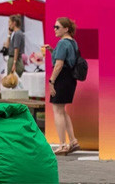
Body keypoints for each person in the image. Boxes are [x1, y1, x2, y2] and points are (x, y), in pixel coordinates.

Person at [44, 17, 81, 155]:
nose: (54, 29)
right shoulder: (73, 42)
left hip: (62, 78)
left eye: (57, 27)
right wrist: (52, 51)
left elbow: (59, 65)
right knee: (62, 111)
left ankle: (62, 145)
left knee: (57, 111)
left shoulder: (62, 43)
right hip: (70, 78)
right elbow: (67, 60)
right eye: (54, 26)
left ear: (66, 29)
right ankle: (73, 141)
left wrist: (52, 81)